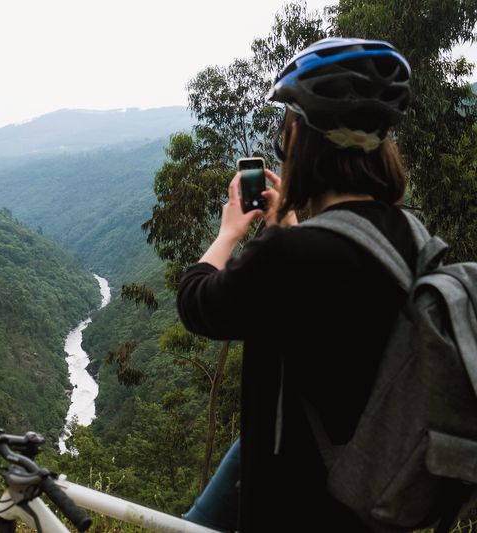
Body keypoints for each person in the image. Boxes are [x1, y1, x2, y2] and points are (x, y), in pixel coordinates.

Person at [178, 38, 413, 532]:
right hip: (379, 504)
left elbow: (196, 301)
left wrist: (228, 234)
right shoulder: (414, 240)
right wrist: (288, 224)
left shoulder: (288, 257)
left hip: (293, 507)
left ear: (299, 139)